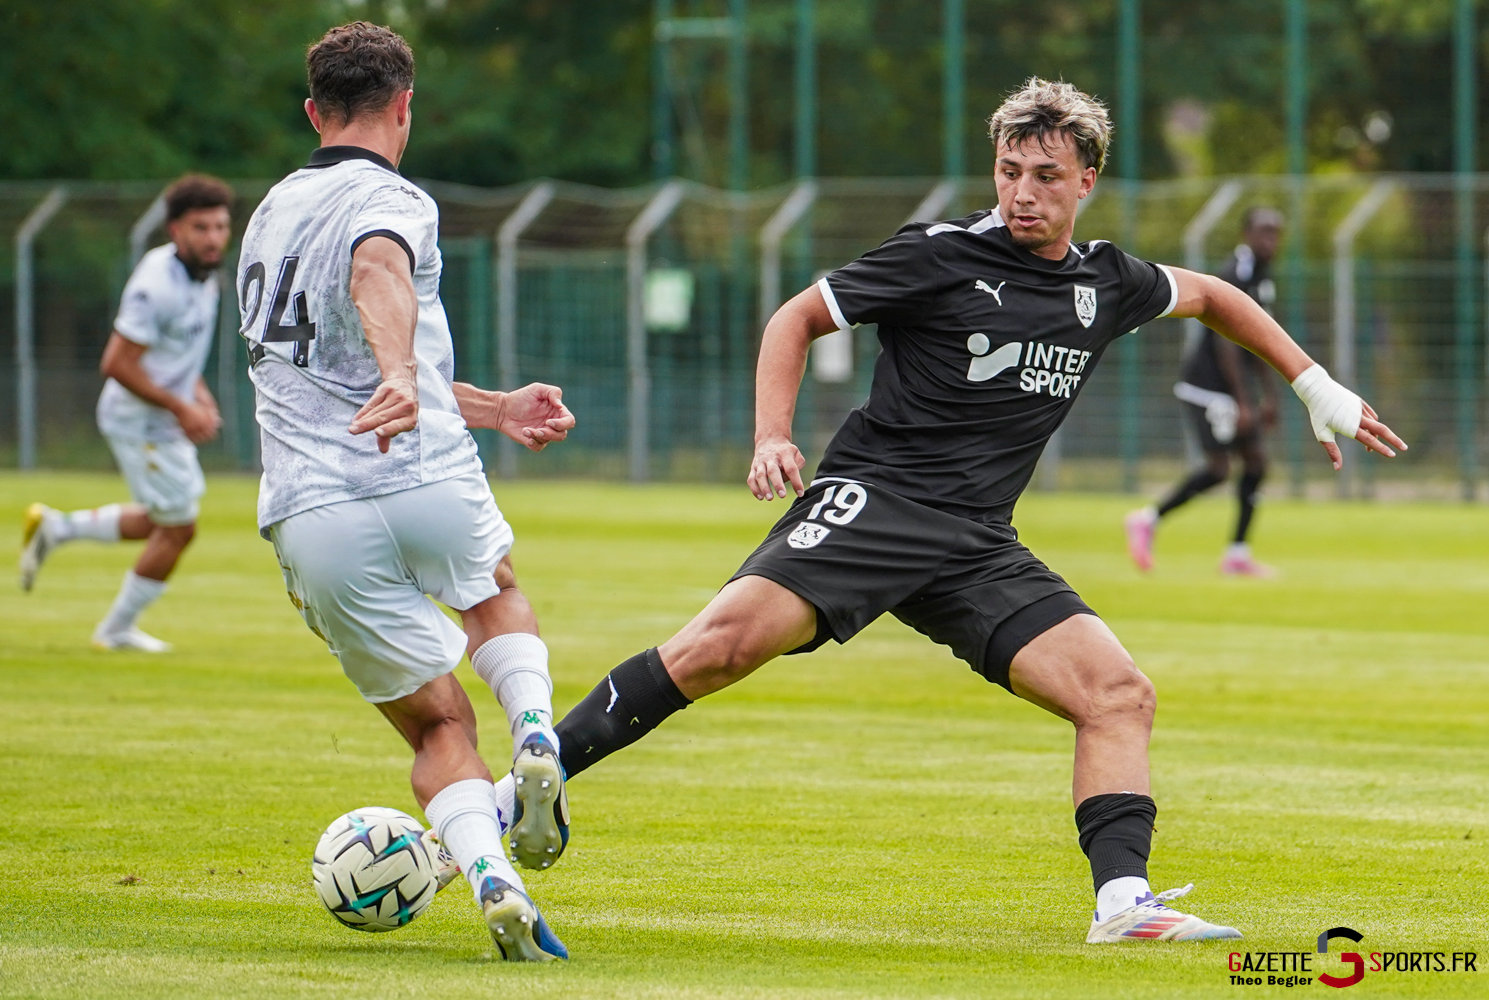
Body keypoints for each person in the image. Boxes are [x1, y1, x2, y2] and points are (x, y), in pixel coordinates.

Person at [496, 78, 1406, 943]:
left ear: (1087, 180)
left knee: (1119, 696)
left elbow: (1211, 296)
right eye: (1010, 172)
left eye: (1047, 177)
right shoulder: (939, 254)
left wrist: (1315, 385)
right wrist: (773, 435)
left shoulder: (1105, 282)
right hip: (876, 506)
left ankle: (1124, 903)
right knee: (716, 650)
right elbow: (793, 320)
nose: (1024, 194)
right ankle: (514, 797)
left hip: (976, 545)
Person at [236, 22, 574, 961]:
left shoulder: (264, 215)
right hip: (420, 469)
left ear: (313, 111)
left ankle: (490, 878)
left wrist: (495, 406)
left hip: (312, 511)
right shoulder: (395, 198)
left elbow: (335, 356)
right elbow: (376, 268)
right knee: (493, 593)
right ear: (405, 107)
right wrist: (398, 375)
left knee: (437, 724)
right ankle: (538, 734)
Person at [19, 175, 231, 652]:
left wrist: (199, 396)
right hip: (141, 422)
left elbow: (177, 355)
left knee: (163, 519)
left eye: (220, 226)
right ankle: (114, 630)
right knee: (178, 529)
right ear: (175, 230)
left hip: (161, 419)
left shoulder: (205, 275)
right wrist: (182, 406)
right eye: (202, 227)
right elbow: (116, 363)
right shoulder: (157, 285)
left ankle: (58, 528)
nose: (214, 237)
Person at [1125, 208, 1285, 575]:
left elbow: (1262, 340)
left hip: (1234, 391)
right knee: (1219, 469)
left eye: (1275, 234)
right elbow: (1225, 343)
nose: (1269, 241)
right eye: (1263, 232)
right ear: (1245, 233)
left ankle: (1237, 554)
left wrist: (1270, 395)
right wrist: (1245, 401)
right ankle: (1147, 519)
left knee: (1256, 462)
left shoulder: (1262, 277)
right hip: (1208, 388)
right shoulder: (1234, 274)